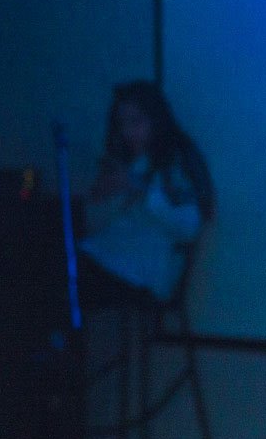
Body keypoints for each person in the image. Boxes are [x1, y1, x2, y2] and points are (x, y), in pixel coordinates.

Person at [79, 81, 215, 306]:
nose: (127, 132)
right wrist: (101, 196)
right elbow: (99, 224)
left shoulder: (175, 160)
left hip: (146, 269)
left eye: (136, 122)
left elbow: (190, 226)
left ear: (156, 119)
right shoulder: (130, 159)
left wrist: (140, 190)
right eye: (122, 124)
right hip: (113, 254)